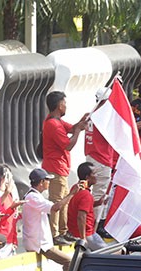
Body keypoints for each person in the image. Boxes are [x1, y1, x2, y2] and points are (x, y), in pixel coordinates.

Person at [42, 90, 89, 245]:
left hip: (60, 167)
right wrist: (77, 130)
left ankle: (62, 231)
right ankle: (55, 234)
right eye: (65, 103)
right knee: (57, 201)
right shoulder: (53, 124)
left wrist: (80, 123)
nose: (66, 106)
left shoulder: (56, 122)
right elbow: (68, 144)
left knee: (64, 200)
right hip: (55, 167)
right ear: (59, 105)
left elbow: (72, 128)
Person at [23, 168, 80, 271]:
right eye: (47, 180)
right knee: (68, 261)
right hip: (40, 244)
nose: (49, 183)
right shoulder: (32, 197)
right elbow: (55, 208)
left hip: (41, 242)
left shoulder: (35, 196)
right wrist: (71, 194)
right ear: (41, 182)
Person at [84, 87, 120, 240]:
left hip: (91, 156)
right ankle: (96, 226)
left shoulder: (90, 114)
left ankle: (94, 224)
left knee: (93, 193)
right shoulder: (104, 117)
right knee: (100, 193)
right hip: (102, 158)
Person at [66, 162, 107, 251]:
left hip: (80, 232)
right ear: (87, 177)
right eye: (94, 173)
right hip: (87, 235)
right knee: (109, 252)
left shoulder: (76, 188)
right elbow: (81, 217)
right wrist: (83, 238)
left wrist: (98, 203)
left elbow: (82, 205)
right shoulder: (86, 195)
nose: (97, 176)